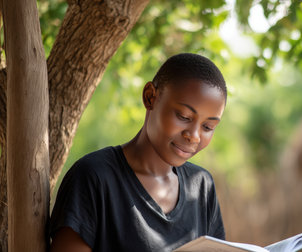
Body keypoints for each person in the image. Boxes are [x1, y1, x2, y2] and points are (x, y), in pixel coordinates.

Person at [49, 53, 227, 252]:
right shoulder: (94, 178)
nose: (194, 136)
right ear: (150, 97)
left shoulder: (201, 186)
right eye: (183, 116)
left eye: (208, 127)